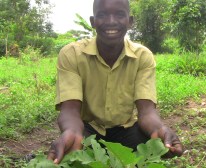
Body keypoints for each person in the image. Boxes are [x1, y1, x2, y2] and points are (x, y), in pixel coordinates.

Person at [47, 0, 183, 164]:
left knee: (155, 149)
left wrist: (159, 129)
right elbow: (70, 110)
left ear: (130, 21)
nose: (111, 21)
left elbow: (146, 111)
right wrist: (71, 131)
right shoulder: (72, 54)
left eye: (119, 14)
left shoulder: (142, 57)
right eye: (102, 15)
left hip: (127, 129)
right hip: (87, 128)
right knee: (72, 153)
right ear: (93, 21)